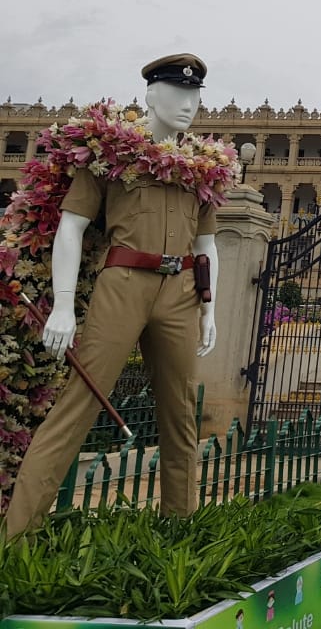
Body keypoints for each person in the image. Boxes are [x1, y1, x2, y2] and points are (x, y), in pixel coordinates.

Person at [3, 54, 222, 539]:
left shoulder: (202, 168)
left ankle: (178, 536)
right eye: (176, 93)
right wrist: (62, 305)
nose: (187, 105)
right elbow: (71, 226)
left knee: (181, 413)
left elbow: (207, 245)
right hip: (123, 282)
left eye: (194, 96)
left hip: (182, 290)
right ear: (150, 95)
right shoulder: (110, 153)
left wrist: (210, 307)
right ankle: (13, 542)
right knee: (77, 406)